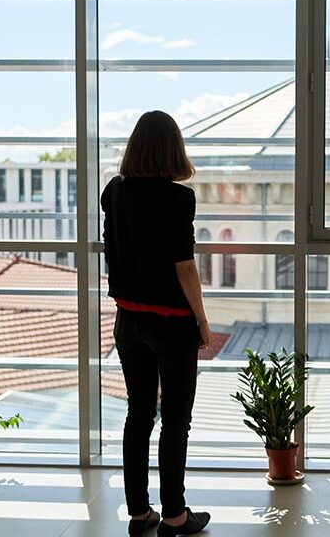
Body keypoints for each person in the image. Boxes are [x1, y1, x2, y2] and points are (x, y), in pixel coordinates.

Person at [101, 110, 213, 537]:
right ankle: (175, 515)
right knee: (176, 420)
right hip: (171, 324)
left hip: (128, 319)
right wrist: (202, 320)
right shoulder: (179, 199)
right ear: (174, 149)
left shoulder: (114, 191)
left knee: (139, 414)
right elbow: (184, 268)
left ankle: (138, 513)